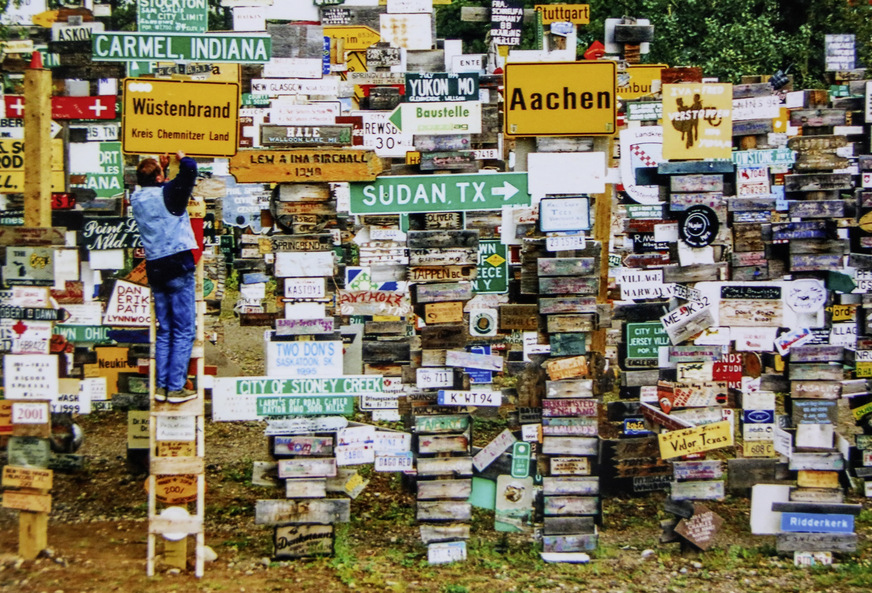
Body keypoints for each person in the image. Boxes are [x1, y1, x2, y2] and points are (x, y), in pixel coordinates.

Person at [129, 151, 199, 404]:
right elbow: (189, 171)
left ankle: (161, 387)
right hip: (177, 263)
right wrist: (183, 157)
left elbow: (163, 191)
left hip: (155, 266)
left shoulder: (136, 198)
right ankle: (176, 387)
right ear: (159, 178)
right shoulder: (169, 195)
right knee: (184, 330)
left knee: (165, 329)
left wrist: (164, 169)